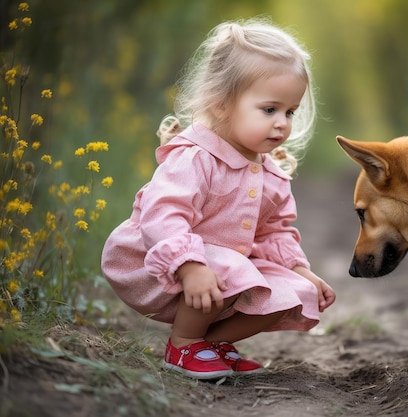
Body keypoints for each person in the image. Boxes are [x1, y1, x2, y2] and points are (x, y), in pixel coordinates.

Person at [101, 18, 336, 380]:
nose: (282, 123)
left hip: (224, 272)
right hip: (158, 264)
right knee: (230, 265)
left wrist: (300, 269)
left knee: (294, 291)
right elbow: (163, 214)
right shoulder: (195, 157)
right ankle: (183, 344)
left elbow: (274, 231)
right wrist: (189, 266)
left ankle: (212, 344)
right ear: (222, 104)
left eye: (290, 112)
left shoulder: (270, 174)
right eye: (269, 109)